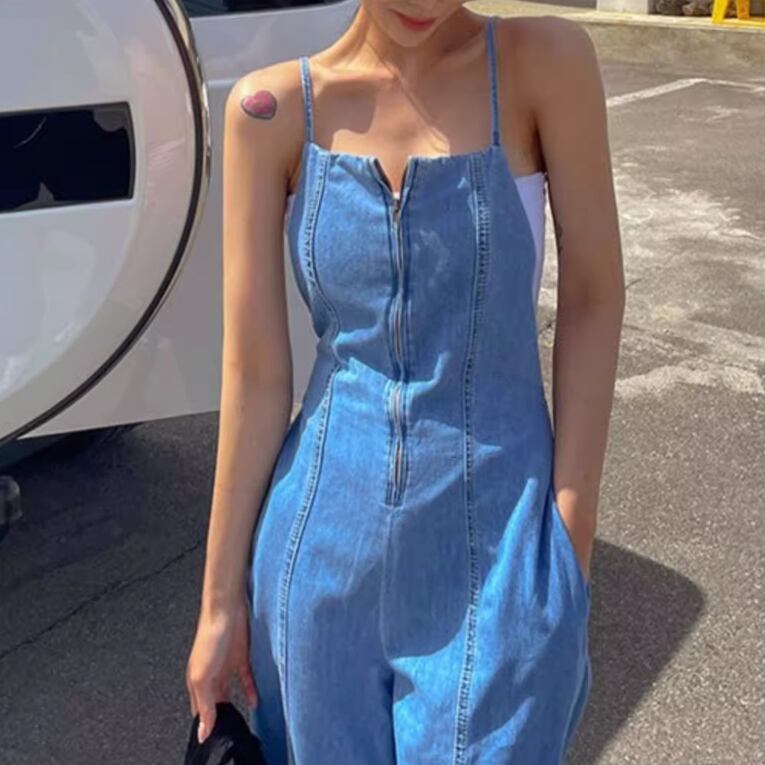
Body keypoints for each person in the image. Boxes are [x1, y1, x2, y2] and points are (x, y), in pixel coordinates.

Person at [186, 3, 624, 763]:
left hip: (502, 549)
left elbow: (593, 294)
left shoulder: (543, 65)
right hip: (316, 562)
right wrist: (220, 600)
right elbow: (255, 375)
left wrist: (568, 532)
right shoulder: (270, 111)